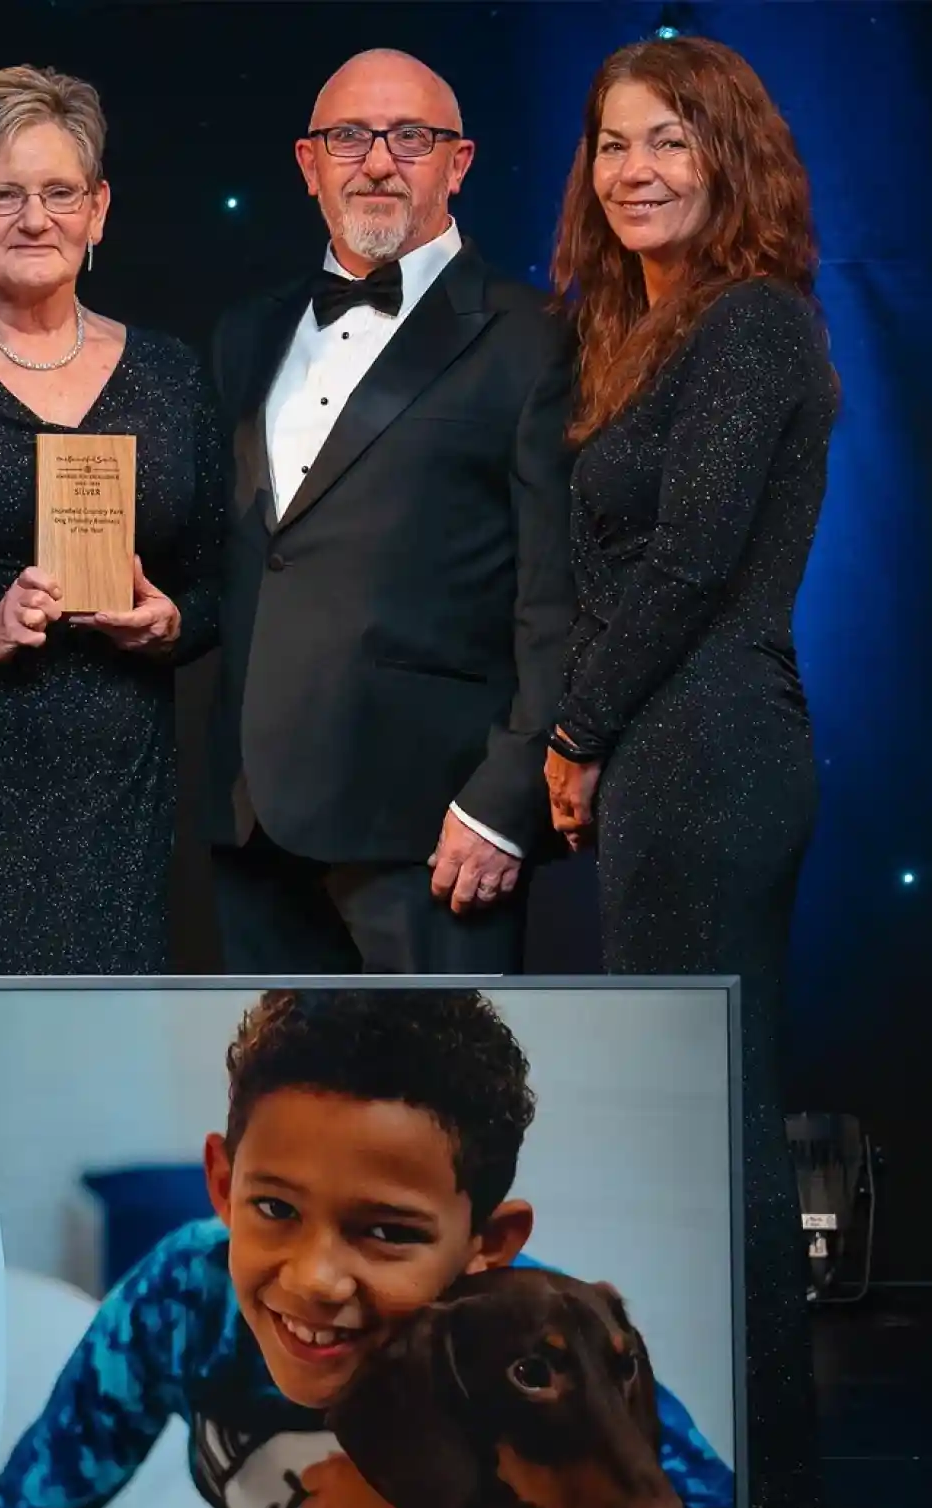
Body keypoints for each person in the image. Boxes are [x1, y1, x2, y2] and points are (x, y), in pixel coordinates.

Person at [0, 989, 735, 1508]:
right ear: (222, 1183)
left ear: (486, 1246)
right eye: (275, 1208)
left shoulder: (536, 1338)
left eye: (386, 1231)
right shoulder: (182, 1303)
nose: (315, 1280)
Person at [540, 35, 838, 1508]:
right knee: (700, 1130)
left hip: (710, 749)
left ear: (730, 158)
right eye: (610, 143)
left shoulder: (753, 332)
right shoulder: (633, 334)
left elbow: (695, 555)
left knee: (711, 1138)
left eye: (670, 141)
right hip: (668, 751)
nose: (635, 169)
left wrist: (579, 732)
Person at [205, 49, 576, 977]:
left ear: (459, 163)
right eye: (348, 137)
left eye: (411, 137)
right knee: (278, 1118)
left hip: (437, 834)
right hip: (255, 826)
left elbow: (559, 599)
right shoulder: (246, 333)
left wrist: (506, 799)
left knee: (439, 1116)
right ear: (307, 164)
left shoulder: (537, 340)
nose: (377, 160)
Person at [0, 66, 224, 975]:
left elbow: (225, 580)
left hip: (117, 793)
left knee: (96, 1066)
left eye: (60, 193)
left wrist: (173, 624)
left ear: (98, 209)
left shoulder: (172, 377)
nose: (33, 219)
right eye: (4, 194)